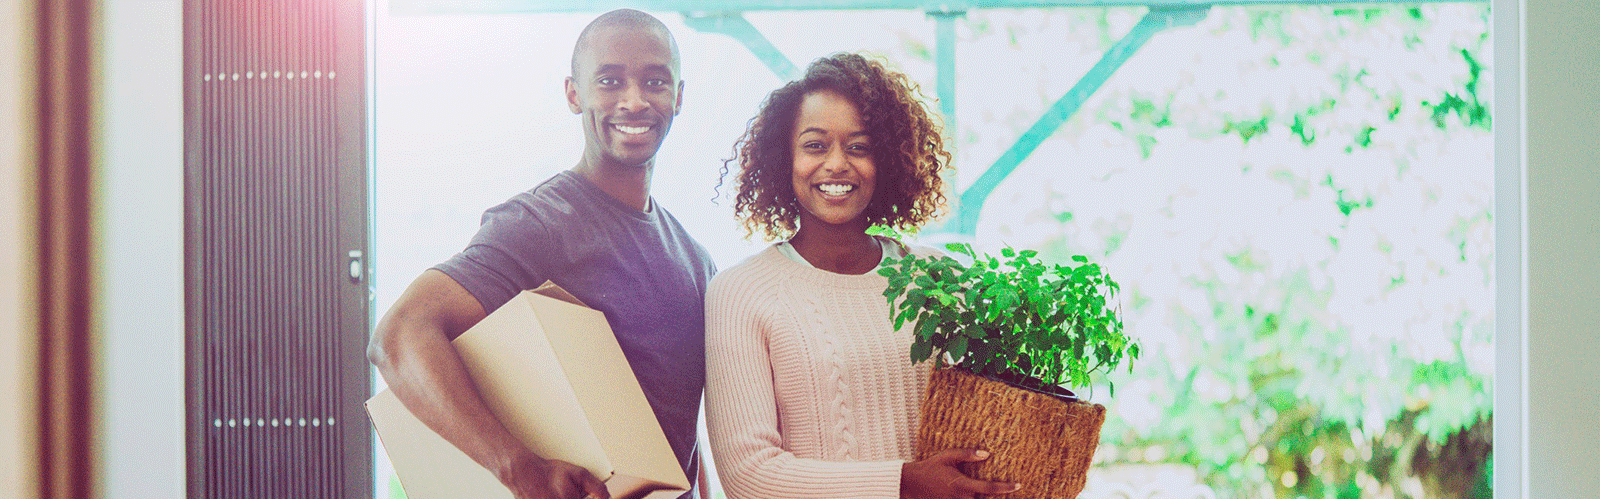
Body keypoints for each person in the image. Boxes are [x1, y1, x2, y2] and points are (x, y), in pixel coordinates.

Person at [367, 9, 715, 499]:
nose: (634, 101)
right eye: (610, 80)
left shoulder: (695, 260)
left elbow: (681, 421)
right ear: (574, 94)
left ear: (678, 96)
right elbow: (399, 337)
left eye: (655, 82)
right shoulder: (542, 223)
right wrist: (519, 467)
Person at [703, 52, 1023, 499]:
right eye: (815, 145)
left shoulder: (939, 278)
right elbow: (749, 477)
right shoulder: (740, 293)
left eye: (859, 147)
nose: (836, 164)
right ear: (783, 158)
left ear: (890, 160)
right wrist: (904, 483)